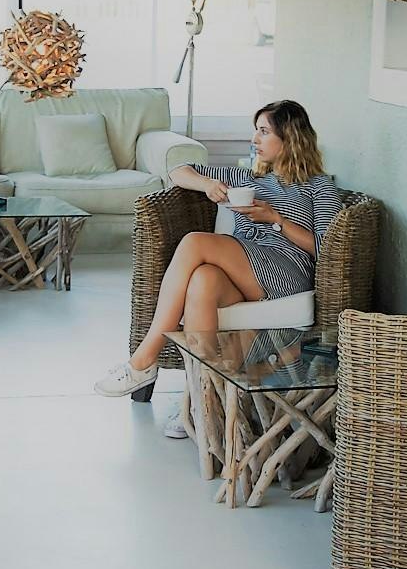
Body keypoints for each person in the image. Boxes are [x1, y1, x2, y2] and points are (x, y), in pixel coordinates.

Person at [95, 99, 344, 400]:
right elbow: (177, 171)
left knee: (195, 242)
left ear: (290, 137)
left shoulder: (318, 186)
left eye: (264, 131)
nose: (255, 139)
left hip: (287, 273)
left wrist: (276, 220)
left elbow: (327, 249)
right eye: (256, 130)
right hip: (245, 271)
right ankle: (205, 399)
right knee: (204, 280)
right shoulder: (246, 178)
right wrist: (207, 185)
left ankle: (144, 359)